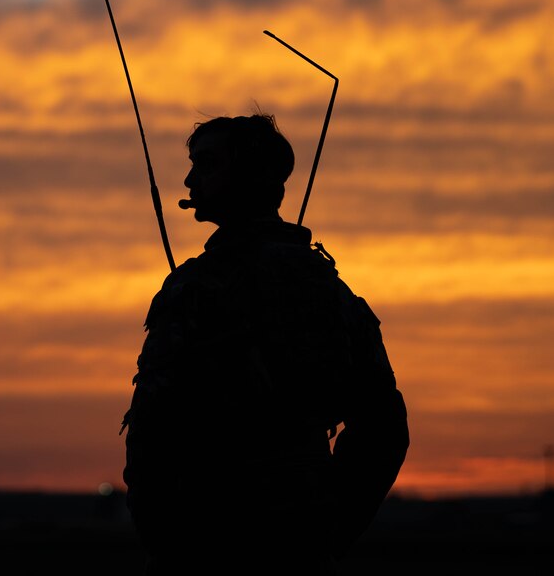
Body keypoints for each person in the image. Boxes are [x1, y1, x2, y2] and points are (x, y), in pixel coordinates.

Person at [121, 113, 409, 574]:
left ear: (250, 175)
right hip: (302, 550)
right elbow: (385, 425)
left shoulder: (194, 289)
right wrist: (329, 529)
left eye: (207, 164)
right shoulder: (333, 292)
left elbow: (152, 434)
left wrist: (168, 544)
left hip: (209, 546)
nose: (191, 178)